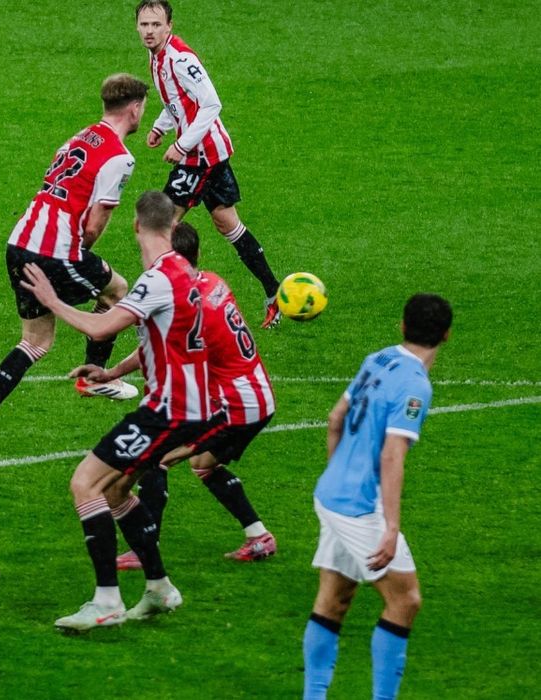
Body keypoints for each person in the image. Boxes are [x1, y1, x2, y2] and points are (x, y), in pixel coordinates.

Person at [21, 191, 225, 632]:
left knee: (85, 483)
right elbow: (162, 337)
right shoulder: (188, 273)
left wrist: (53, 301)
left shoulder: (156, 280)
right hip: (191, 406)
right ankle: (159, 588)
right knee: (114, 492)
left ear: (136, 227)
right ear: (172, 227)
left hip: (167, 409)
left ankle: (106, 600)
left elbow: (101, 324)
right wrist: (110, 370)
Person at [0, 73, 150, 475]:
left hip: (19, 241)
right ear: (135, 107)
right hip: (53, 251)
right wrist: (78, 257)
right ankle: (94, 377)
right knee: (117, 292)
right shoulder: (120, 157)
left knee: (36, 341)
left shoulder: (81, 136)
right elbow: (94, 225)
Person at [73, 223, 276, 569]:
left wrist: (111, 372)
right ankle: (259, 536)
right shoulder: (213, 283)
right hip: (257, 394)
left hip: (236, 405)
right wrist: (112, 374)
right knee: (203, 463)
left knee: (158, 456)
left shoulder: (187, 303)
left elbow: (157, 349)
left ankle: (144, 547)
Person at [303, 294, 452, 700]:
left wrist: (337, 474)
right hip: (358, 509)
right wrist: (390, 528)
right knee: (406, 601)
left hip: (331, 494)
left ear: (402, 326)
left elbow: (335, 419)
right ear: (446, 335)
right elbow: (392, 454)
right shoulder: (415, 386)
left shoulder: (380, 357)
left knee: (335, 599)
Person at [135, 1, 283, 329]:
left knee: (158, 228)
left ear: (169, 26)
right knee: (227, 223)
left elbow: (211, 102)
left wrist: (181, 144)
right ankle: (274, 293)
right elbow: (179, 100)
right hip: (209, 156)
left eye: (156, 25)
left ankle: (162, 308)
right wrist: (162, 125)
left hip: (199, 158)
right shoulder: (156, 55)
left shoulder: (180, 58)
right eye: (144, 25)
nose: (149, 31)